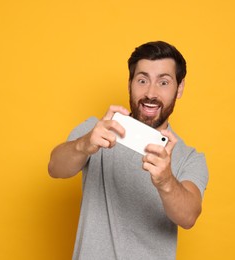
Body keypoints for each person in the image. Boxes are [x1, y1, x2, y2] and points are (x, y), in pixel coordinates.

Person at [48, 41, 209, 260]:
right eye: (142, 80)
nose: (150, 93)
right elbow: (55, 168)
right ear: (130, 83)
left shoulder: (191, 158)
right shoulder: (98, 130)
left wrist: (165, 181)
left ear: (179, 88)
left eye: (163, 82)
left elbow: (189, 216)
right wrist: (83, 144)